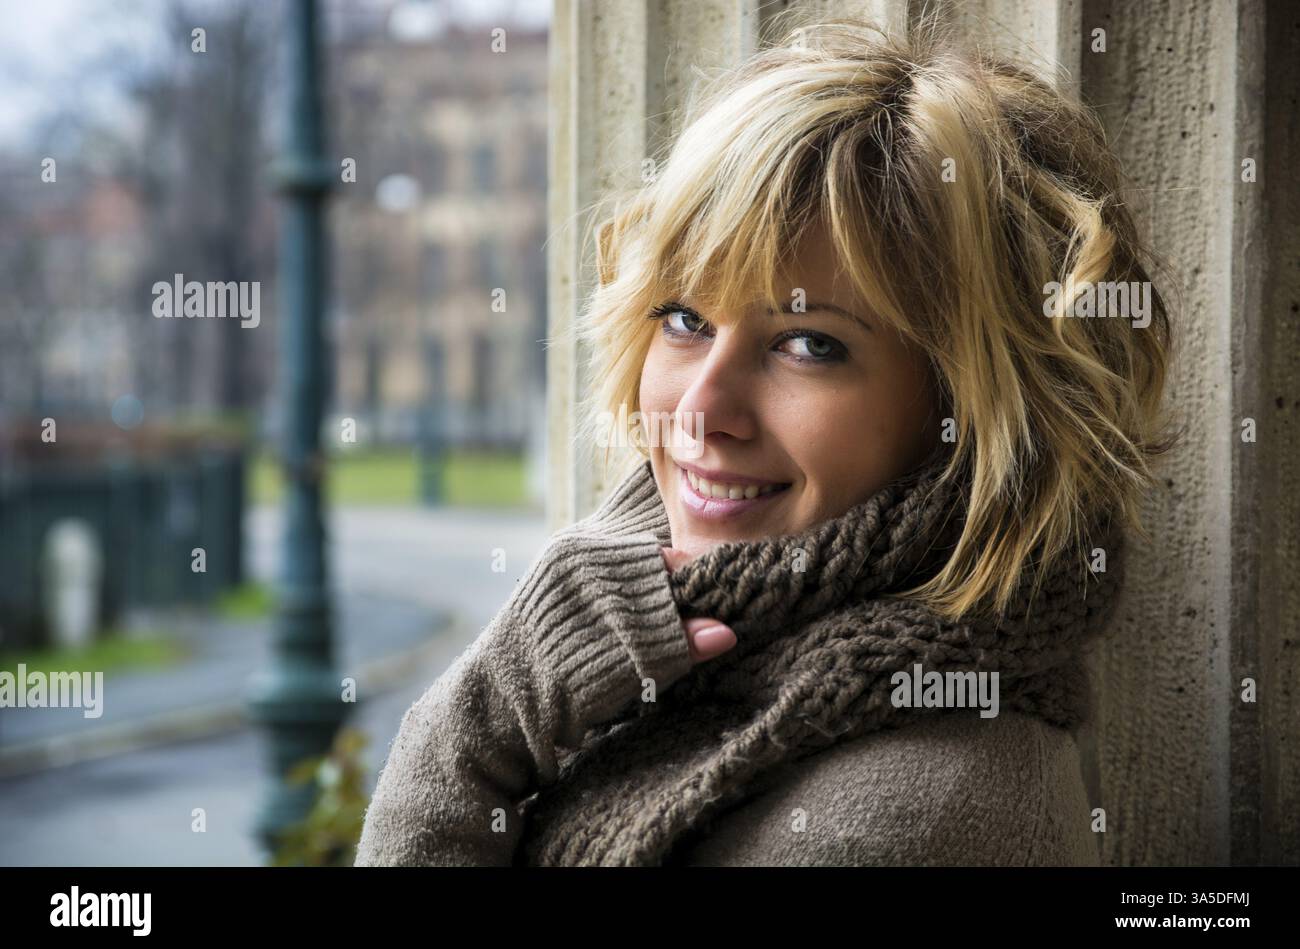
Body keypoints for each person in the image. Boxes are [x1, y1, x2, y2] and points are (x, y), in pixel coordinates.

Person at [354, 15, 1175, 867]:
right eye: (683, 318)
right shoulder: (670, 654)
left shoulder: (910, 816)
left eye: (810, 344)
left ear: (977, 406)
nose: (700, 412)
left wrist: (475, 728)